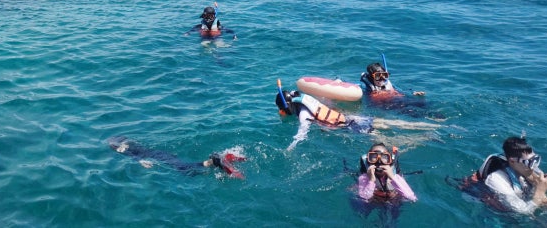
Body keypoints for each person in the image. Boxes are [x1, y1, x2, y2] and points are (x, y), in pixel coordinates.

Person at [274, 84, 438, 151]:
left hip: (352, 126)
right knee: (395, 123)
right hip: (355, 117)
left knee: (384, 142)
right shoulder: (309, 100)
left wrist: (292, 145)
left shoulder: (304, 114)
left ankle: (424, 138)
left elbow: (303, 131)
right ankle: (435, 126)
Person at [477, 136, 547, 214]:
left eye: (535, 160)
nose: (533, 167)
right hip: (497, 213)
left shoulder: (527, 167)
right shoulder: (496, 179)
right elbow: (523, 210)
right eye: (528, 162)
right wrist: (540, 191)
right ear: (512, 161)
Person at [108, 136, 246, 179]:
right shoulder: (130, 142)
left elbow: (131, 154)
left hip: (157, 156)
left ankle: (213, 162)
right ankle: (210, 164)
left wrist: (141, 161)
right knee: (182, 167)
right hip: (159, 153)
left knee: (182, 168)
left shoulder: (122, 148)